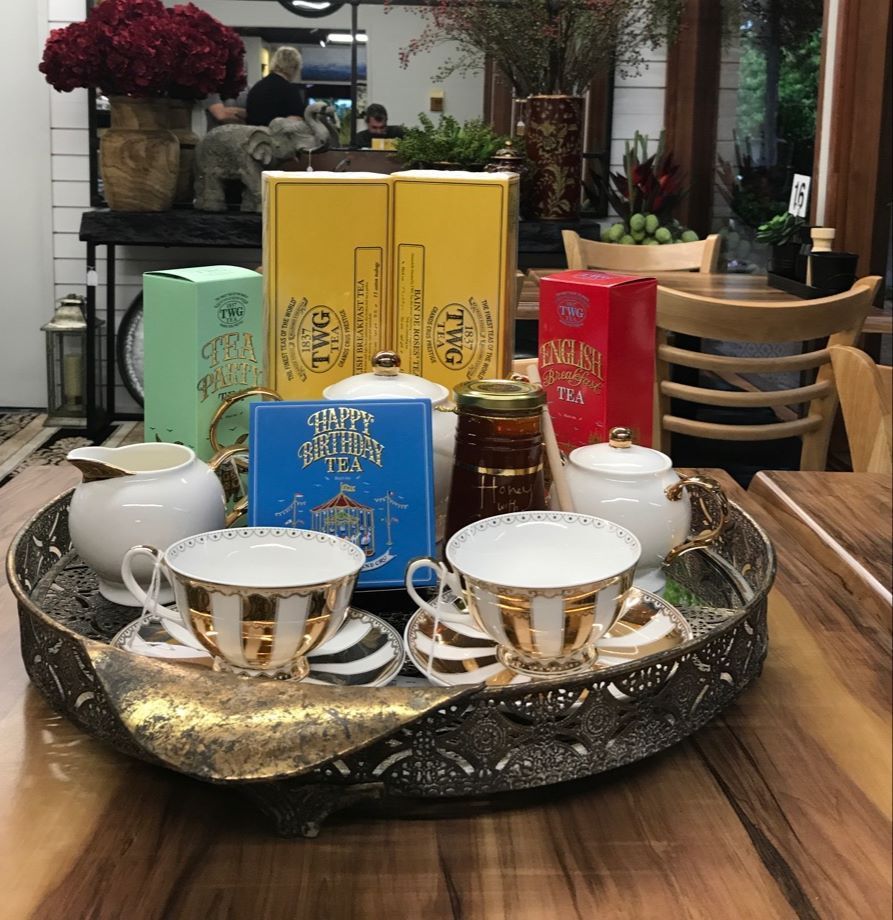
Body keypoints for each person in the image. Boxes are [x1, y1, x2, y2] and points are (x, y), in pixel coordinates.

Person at [246, 47, 306, 126]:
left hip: (254, 136)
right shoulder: (290, 91)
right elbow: (299, 120)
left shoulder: (256, 87)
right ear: (294, 67)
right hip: (279, 137)